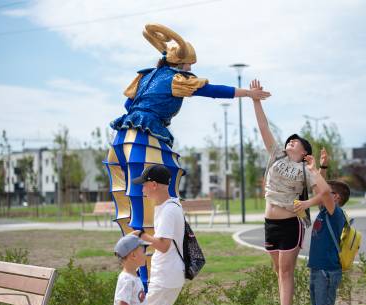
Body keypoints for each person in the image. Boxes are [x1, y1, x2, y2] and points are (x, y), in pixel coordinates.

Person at [105, 23, 270, 287]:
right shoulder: (175, 78)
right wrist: (249, 93)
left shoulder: (146, 76)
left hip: (121, 139)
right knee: (151, 208)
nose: (191, 71)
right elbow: (211, 90)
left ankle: (140, 280)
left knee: (138, 205)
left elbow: (128, 105)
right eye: (189, 66)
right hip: (144, 139)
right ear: (181, 65)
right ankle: (147, 286)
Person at [250, 79, 331, 305]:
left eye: (297, 141)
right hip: (269, 223)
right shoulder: (276, 154)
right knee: (278, 270)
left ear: (305, 151)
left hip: (290, 224)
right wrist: (255, 100)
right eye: (291, 140)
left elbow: (325, 192)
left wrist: (317, 170)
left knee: (285, 272)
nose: (291, 141)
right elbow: (263, 127)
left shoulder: (305, 170)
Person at [130, 164, 185, 305]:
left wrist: (141, 236)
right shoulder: (170, 205)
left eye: (144, 185)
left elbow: (163, 245)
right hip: (169, 274)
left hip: (165, 277)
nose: (142, 189)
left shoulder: (168, 211)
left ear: (154, 185)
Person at [308, 174, 350, 305]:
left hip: (326, 271)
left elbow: (323, 192)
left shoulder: (335, 213)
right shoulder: (325, 212)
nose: (320, 195)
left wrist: (313, 169)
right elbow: (318, 190)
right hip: (318, 268)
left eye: (326, 193)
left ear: (336, 197)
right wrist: (322, 168)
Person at [113, 234, 157, 305]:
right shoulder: (126, 279)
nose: (146, 254)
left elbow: (137, 304)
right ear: (133, 255)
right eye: (143, 251)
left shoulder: (134, 278)